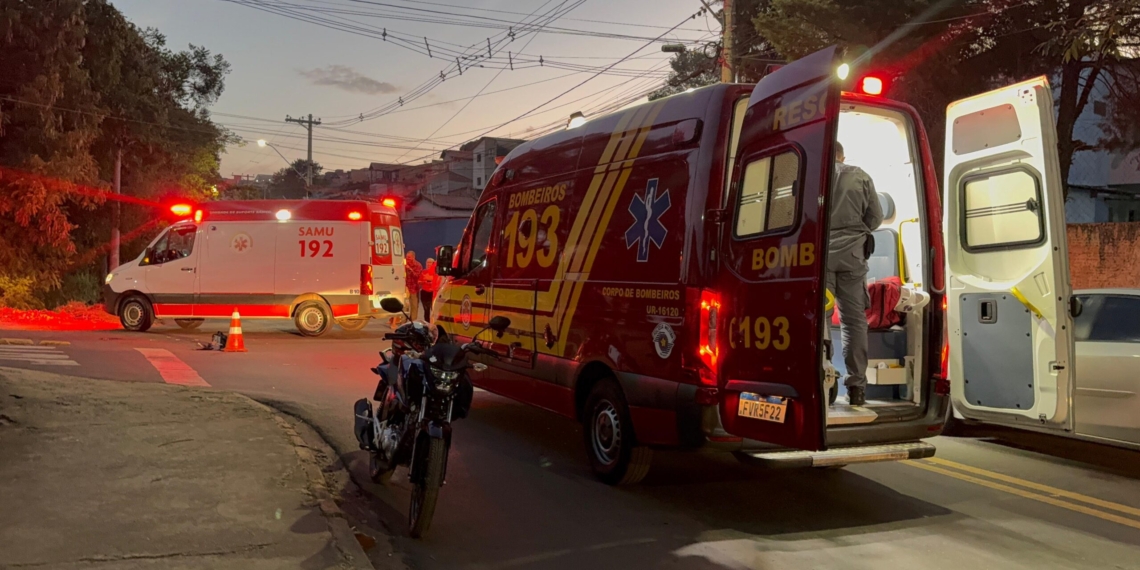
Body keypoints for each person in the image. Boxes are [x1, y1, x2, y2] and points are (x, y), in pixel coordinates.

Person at [827, 141, 883, 406]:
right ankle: (857, 388)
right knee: (853, 321)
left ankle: (823, 380)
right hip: (853, 256)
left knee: (819, 321)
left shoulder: (814, 176)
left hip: (820, 258)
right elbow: (876, 217)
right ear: (843, 156)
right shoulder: (860, 175)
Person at [404, 250, 424, 321]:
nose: (407, 258)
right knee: (404, 305)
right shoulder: (403, 264)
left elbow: (418, 276)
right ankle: (404, 321)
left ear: (413, 257)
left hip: (414, 288)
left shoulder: (418, 265)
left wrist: (410, 270)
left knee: (414, 305)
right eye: (406, 257)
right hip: (405, 288)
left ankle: (413, 321)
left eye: (409, 257)